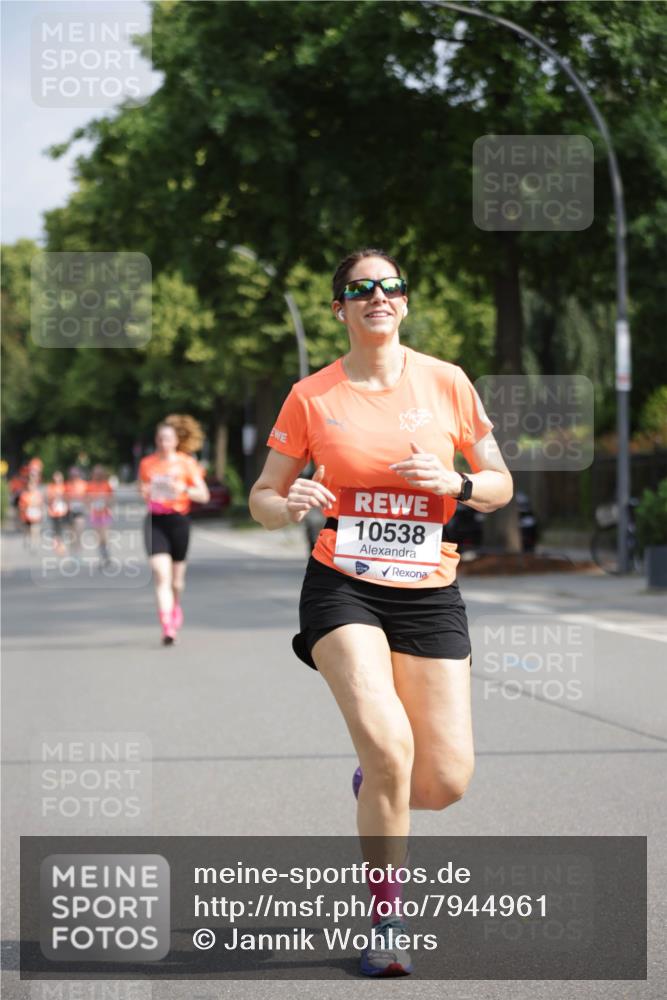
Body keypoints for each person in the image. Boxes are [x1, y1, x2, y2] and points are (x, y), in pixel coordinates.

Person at [249, 248, 513, 977]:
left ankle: (375, 786)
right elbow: (262, 495)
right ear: (339, 308)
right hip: (343, 586)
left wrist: (458, 482)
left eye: (389, 286)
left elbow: (500, 483)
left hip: (430, 587)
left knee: (443, 781)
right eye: (360, 288)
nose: (377, 296)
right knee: (391, 748)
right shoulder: (312, 395)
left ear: (403, 301)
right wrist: (286, 502)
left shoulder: (447, 383)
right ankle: (386, 922)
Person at [138, 422, 209, 644]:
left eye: (168, 438)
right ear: (156, 440)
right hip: (155, 521)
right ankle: (167, 626)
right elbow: (143, 491)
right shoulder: (147, 464)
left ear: (176, 441)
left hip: (178, 521)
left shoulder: (187, 463)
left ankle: (175, 605)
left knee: (177, 582)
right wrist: (145, 491)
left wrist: (184, 489)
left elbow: (203, 495)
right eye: (160, 439)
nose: (163, 443)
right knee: (161, 574)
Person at [87, 465, 114, 566]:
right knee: (98, 537)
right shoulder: (90, 485)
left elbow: (111, 498)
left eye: (99, 474)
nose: (97, 475)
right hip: (95, 514)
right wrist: (91, 503)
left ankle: (106, 554)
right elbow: (86, 499)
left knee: (105, 536)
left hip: (105, 514)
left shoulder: (106, 485)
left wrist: (107, 502)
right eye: (95, 473)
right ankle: (103, 556)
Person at [18, 468, 45, 551]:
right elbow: (21, 505)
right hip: (27, 515)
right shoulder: (24, 494)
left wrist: (42, 512)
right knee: (27, 530)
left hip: (35, 515)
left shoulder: (38, 493)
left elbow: (41, 504)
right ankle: (27, 539)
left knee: (35, 529)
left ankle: (34, 544)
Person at [65, 467, 88, 553]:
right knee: (71, 534)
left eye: (76, 475)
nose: (74, 476)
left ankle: (78, 551)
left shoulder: (84, 485)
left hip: (80, 511)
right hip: (69, 511)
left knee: (78, 532)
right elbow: (65, 497)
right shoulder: (67, 485)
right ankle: (72, 552)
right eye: (72, 475)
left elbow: (88, 497)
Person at [46, 470, 69, 557]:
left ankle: (61, 546)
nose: (57, 479)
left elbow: (68, 497)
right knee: (56, 529)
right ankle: (57, 545)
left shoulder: (64, 486)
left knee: (62, 529)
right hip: (54, 512)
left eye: (58, 477)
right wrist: (54, 496)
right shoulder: (51, 487)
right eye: (55, 477)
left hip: (63, 511)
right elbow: (48, 498)